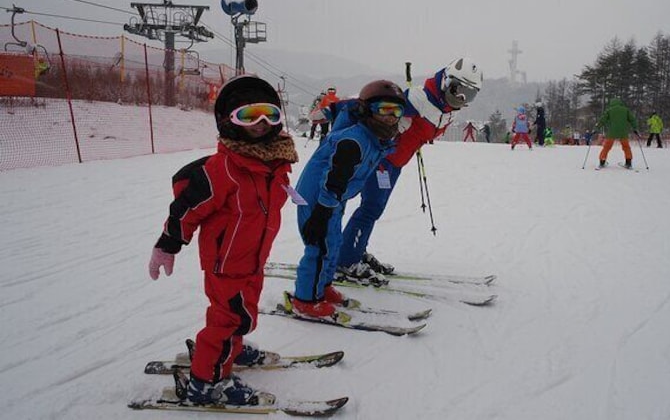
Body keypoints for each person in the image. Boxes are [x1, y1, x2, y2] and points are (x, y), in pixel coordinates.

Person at [147, 75, 299, 405]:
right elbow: (187, 210)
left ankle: (232, 350)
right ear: (228, 121)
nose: (260, 124)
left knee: (244, 315)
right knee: (228, 321)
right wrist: (168, 244)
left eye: (268, 114)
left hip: (253, 260)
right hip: (226, 264)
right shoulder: (223, 169)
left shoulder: (274, 163)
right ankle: (207, 382)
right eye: (248, 115)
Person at [335, 58, 483, 284]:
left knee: (373, 209)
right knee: (371, 209)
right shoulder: (419, 99)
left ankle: (355, 249)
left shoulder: (449, 108)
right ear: (446, 82)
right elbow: (372, 106)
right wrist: (333, 109)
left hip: (395, 163)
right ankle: (345, 260)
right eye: (458, 90)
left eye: (469, 95)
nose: (461, 98)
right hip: (381, 160)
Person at [291, 80, 406, 316]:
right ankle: (305, 299)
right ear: (367, 110)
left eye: (397, 111)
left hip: (333, 198)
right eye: (385, 109)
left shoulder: (374, 137)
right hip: (319, 197)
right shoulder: (354, 141)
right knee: (320, 248)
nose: (391, 117)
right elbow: (333, 178)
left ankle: (323, 287)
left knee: (333, 244)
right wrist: (321, 212)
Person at [595, 98, 638, 168]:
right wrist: (635, 128)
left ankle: (602, 162)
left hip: (612, 132)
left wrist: (596, 128)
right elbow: (632, 120)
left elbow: (602, 120)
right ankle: (628, 162)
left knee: (606, 147)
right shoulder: (625, 110)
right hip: (623, 132)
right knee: (626, 147)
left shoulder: (609, 110)